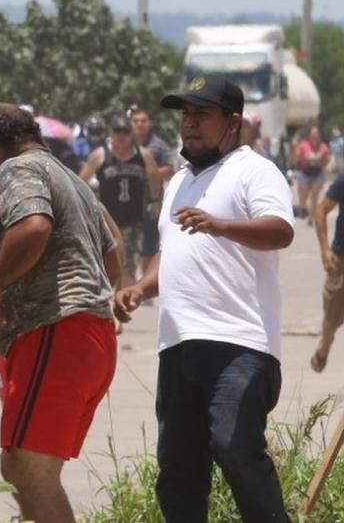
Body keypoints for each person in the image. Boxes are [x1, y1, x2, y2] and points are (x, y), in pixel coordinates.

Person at [115, 75, 294, 522]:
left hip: (240, 343)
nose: (189, 124)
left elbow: (281, 230)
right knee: (177, 471)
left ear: (233, 122)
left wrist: (221, 225)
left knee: (234, 445)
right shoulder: (178, 183)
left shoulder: (254, 170)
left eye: (201, 114)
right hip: (178, 344)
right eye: (185, 115)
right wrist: (140, 286)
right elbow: (169, 252)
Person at [0, 104, 121, 522]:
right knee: (33, 470)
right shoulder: (71, 178)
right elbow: (113, 258)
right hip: (88, 335)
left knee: (25, 469)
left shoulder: (17, 170)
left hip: (56, 332)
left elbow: (34, 227)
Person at [80, 115, 162, 285]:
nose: (122, 136)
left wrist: (155, 200)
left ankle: (124, 301)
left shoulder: (143, 155)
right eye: (117, 131)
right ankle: (106, 300)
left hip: (133, 220)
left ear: (131, 134)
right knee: (104, 262)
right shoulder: (101, 155)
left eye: (125, 131)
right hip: (106, 220)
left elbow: (155, 176)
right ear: (111, 133)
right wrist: (86, 202)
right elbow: (81, 181)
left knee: (128, 264)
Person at [129, 106, 174, 273]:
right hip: (126, 202)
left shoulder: (158, 146)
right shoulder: (124, 144)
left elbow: (170, 170)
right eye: (135, 121)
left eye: (143, 121)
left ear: (150, 124)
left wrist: (148, 173)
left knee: (149, 244)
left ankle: (144, 284)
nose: (139, 125)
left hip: (151, 203)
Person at [310, 169, 344, 372]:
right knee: (331, 319)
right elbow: (321, 210)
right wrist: (324, 249)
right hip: (340, 262)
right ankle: (325, 346)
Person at [296, 125, 331, 225]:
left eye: (316, 134)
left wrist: (321, 162)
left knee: (314, 197)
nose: (315, 137)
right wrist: (300, 156)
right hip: (305, 173)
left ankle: (311, 218)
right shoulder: (304, 145)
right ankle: (305, 209)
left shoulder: (323, 147)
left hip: (317, 174)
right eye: (313, 134)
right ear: (309, 136)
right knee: (303, 200)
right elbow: (297, 157)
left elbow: (327, 160)